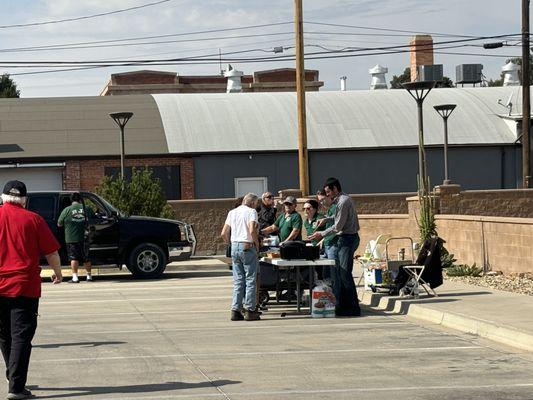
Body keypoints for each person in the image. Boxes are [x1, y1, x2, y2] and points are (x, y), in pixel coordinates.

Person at [0, 180, 62, 400]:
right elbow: (51, 252)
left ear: (3, 197)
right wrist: (58, 272)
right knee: (21, 337)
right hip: (24, 287)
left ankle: (12, 376)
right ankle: (16, 388)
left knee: (5, 336)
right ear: (24, 200)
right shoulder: (34, 219)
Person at [309, 178, 361, 317]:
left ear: (335, 189)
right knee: (340, 272)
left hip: (348, 239)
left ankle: (353, 307)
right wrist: (327, 219)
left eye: (328, 192)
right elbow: (337, 217)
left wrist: (322, 233)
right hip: (345, 239)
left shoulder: (343, 201)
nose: (327, 195)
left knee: (345, 274)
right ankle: (344, 305)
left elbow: (339, 226)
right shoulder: (339, 201)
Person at [221, 193, 261, 321]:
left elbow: (224, 233)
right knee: (250, 279)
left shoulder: (232, 212)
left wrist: (230, 243)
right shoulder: (252, 212)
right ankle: (250, 309)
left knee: (238, 280)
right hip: (247, 245)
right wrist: (256, 243)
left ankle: (235, 309)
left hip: (235, 246)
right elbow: (252, 230)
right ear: (253, 203)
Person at [57, 192, 93, 283]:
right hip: (85, 237)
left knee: (73, 258)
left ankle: (75, 278)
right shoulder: (87, 209)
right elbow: (93, 218)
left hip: (71, 238)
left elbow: (59, 223)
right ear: (80, 200)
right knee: (86, 257)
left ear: (71, 200)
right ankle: (89, 276)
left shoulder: (67, 210)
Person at [316, 189, 338, 282]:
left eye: (322, 200)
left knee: (334, 274)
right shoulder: (329, 210)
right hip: (327, 243)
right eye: (319, 201)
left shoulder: (335, 208)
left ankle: (337, 295)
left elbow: (336, 227)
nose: (321, 203)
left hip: (334, 244)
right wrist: (323, 239)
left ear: (329, 196)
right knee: (326, 275)